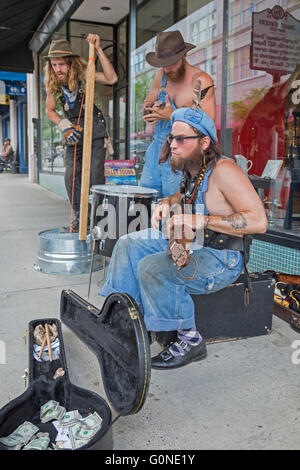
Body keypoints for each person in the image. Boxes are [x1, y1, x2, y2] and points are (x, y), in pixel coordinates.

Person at [99, 107, 267, 370]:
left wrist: (199, 220)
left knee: (153, 268)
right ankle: (126, 320)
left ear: (204, 142)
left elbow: (259, 221)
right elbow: (187, 197)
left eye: (181, 139)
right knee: (128, 243)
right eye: (171, 138)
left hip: (223, 258)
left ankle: (190, 340)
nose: (173, 144)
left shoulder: (225, 171)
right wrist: (167, 202)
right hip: (197, 243)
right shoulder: (194, 170)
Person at [44, 35, 118, 232]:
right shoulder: (53, 83)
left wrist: (99, 49)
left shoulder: (86, 74)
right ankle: (80, 216)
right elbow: (49, 110)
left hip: (94, 127)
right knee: (71, 176)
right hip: (73, 130)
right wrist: (63, 124)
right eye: (54, 64)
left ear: (70, 62)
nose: (57, 69)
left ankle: (97, 217)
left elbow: (112, 78)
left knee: (94, 175)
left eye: (61, 64)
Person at [140, 30, 216, 198]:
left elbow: (208, 123)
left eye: (171, 62)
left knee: (174, 202)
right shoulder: (161, 75)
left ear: (184, 55)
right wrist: (150, 110)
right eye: (163, 63)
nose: (167, 67)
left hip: (183, 151)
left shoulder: (200, 81)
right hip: (156, 149)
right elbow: (147, 101)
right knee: (146, 197)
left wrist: (172, 115)